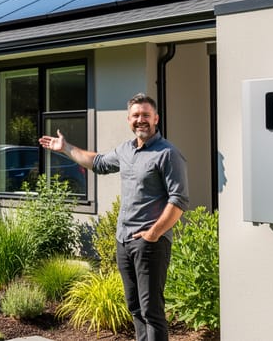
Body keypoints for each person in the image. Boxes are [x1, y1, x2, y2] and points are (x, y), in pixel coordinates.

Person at [39, 92, 188, 341]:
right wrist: (65, 148)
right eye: (136, 115)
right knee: (135, 308)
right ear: (129, 120)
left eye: (146, 115)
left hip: (150, 243)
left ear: (156, 119)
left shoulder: (168, 154)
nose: (141, 120)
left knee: (152, 312)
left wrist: (153, 233)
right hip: (124, 240)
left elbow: (179, 201)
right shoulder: (126, 150)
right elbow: (96, 162)